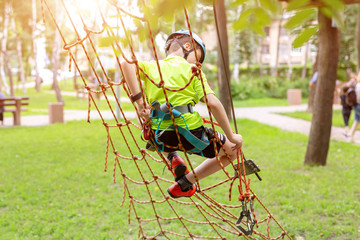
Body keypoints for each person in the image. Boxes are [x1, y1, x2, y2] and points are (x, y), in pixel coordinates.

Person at [121, 30, 243, 198]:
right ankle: (187, 182)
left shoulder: (152, 67)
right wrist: (232, 135)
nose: (198, 63)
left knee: (150, 119)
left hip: (161, 137)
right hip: (193, 136)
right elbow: (213, 103)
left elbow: (126, 64)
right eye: (197, 57)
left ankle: (172, 156)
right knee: (233, 151)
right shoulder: (194, 72)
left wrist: (139, 101)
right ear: (187, 47)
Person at [347, 72, 360, 142]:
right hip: (358, 105)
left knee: (357, 121)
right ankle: (350, 136)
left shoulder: (357, 85)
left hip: (355, 105)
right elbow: (358, 98)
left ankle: (350, 136)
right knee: (357, 121)